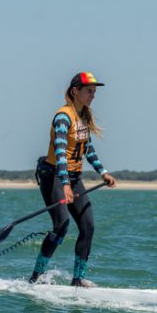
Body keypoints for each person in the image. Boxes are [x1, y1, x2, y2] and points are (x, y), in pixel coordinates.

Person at [30, 72, 117, 287]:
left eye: (94, 92)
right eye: (89, 91)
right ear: (75, 91)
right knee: (61, 225)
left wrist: (103, 172)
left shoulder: (83, 118)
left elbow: (87, 150)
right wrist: (66, 185)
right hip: (54, 176)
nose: (92, 96)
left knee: (88, 226)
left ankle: (78, 279)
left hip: (74, 177)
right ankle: (37, 277)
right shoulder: (63, 117)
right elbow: (60, 153)